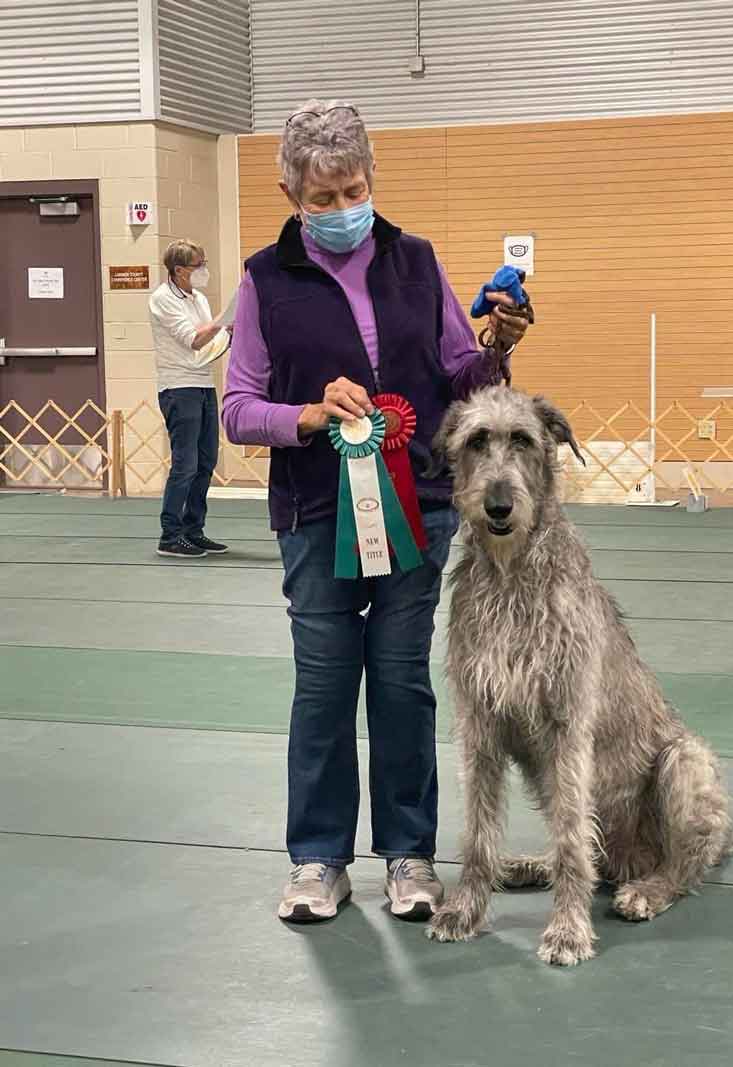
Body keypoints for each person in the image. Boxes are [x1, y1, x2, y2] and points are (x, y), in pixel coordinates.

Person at [222, 100, 530, 923]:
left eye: (350, 189)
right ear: (290, 192)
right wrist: (309, 416)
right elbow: (238, 408)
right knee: (323, 689)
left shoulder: (417, 262)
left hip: (422, 508)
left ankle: (409, 854)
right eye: (318, 197)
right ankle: (318, 858)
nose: (337, 208)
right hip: (314, 514)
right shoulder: (261, 280)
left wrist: (498, 344)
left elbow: (463, 376)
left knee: (402, 686)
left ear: (370, 180)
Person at [149, 240, 230, 558]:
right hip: (178, 387)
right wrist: (224, 321)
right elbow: (194, 339)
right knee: (185, 464)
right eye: (199, 265)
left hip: (203, 383)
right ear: (179, 270)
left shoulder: (198, 298)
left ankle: (193, 530)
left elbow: (211, 339)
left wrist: (229, 330)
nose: (204, 270)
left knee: (206, 460)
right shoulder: (162, 299)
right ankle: (170, 534)